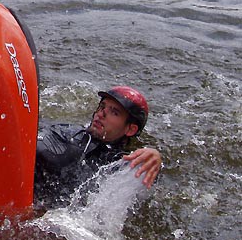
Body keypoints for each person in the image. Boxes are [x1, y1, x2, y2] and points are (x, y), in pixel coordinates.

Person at [34, 86, 162, 205]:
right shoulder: (66, 132)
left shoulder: (120, 163)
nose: (101, 114)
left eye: (114, 112)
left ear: (130, 129)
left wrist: (154, 158)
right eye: (102, 106)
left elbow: (143, 185)